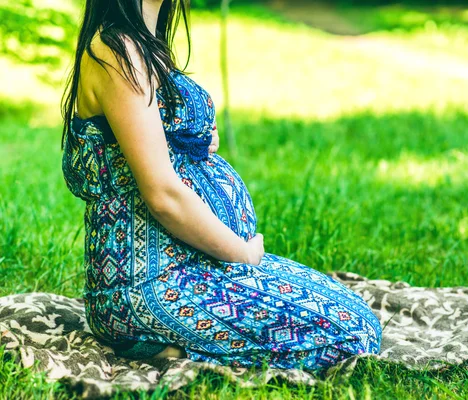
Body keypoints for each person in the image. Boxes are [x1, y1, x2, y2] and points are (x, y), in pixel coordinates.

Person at [60, 0, 382, 374]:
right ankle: (159, 348)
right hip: (148, 283)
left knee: (358, 315)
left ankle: (173, 344)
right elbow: (162, 195)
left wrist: (195, 138)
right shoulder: (117, 52)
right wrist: (241, 254)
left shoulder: (143, 43)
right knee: (351, 335)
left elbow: (152, 139)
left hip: (194, 262)